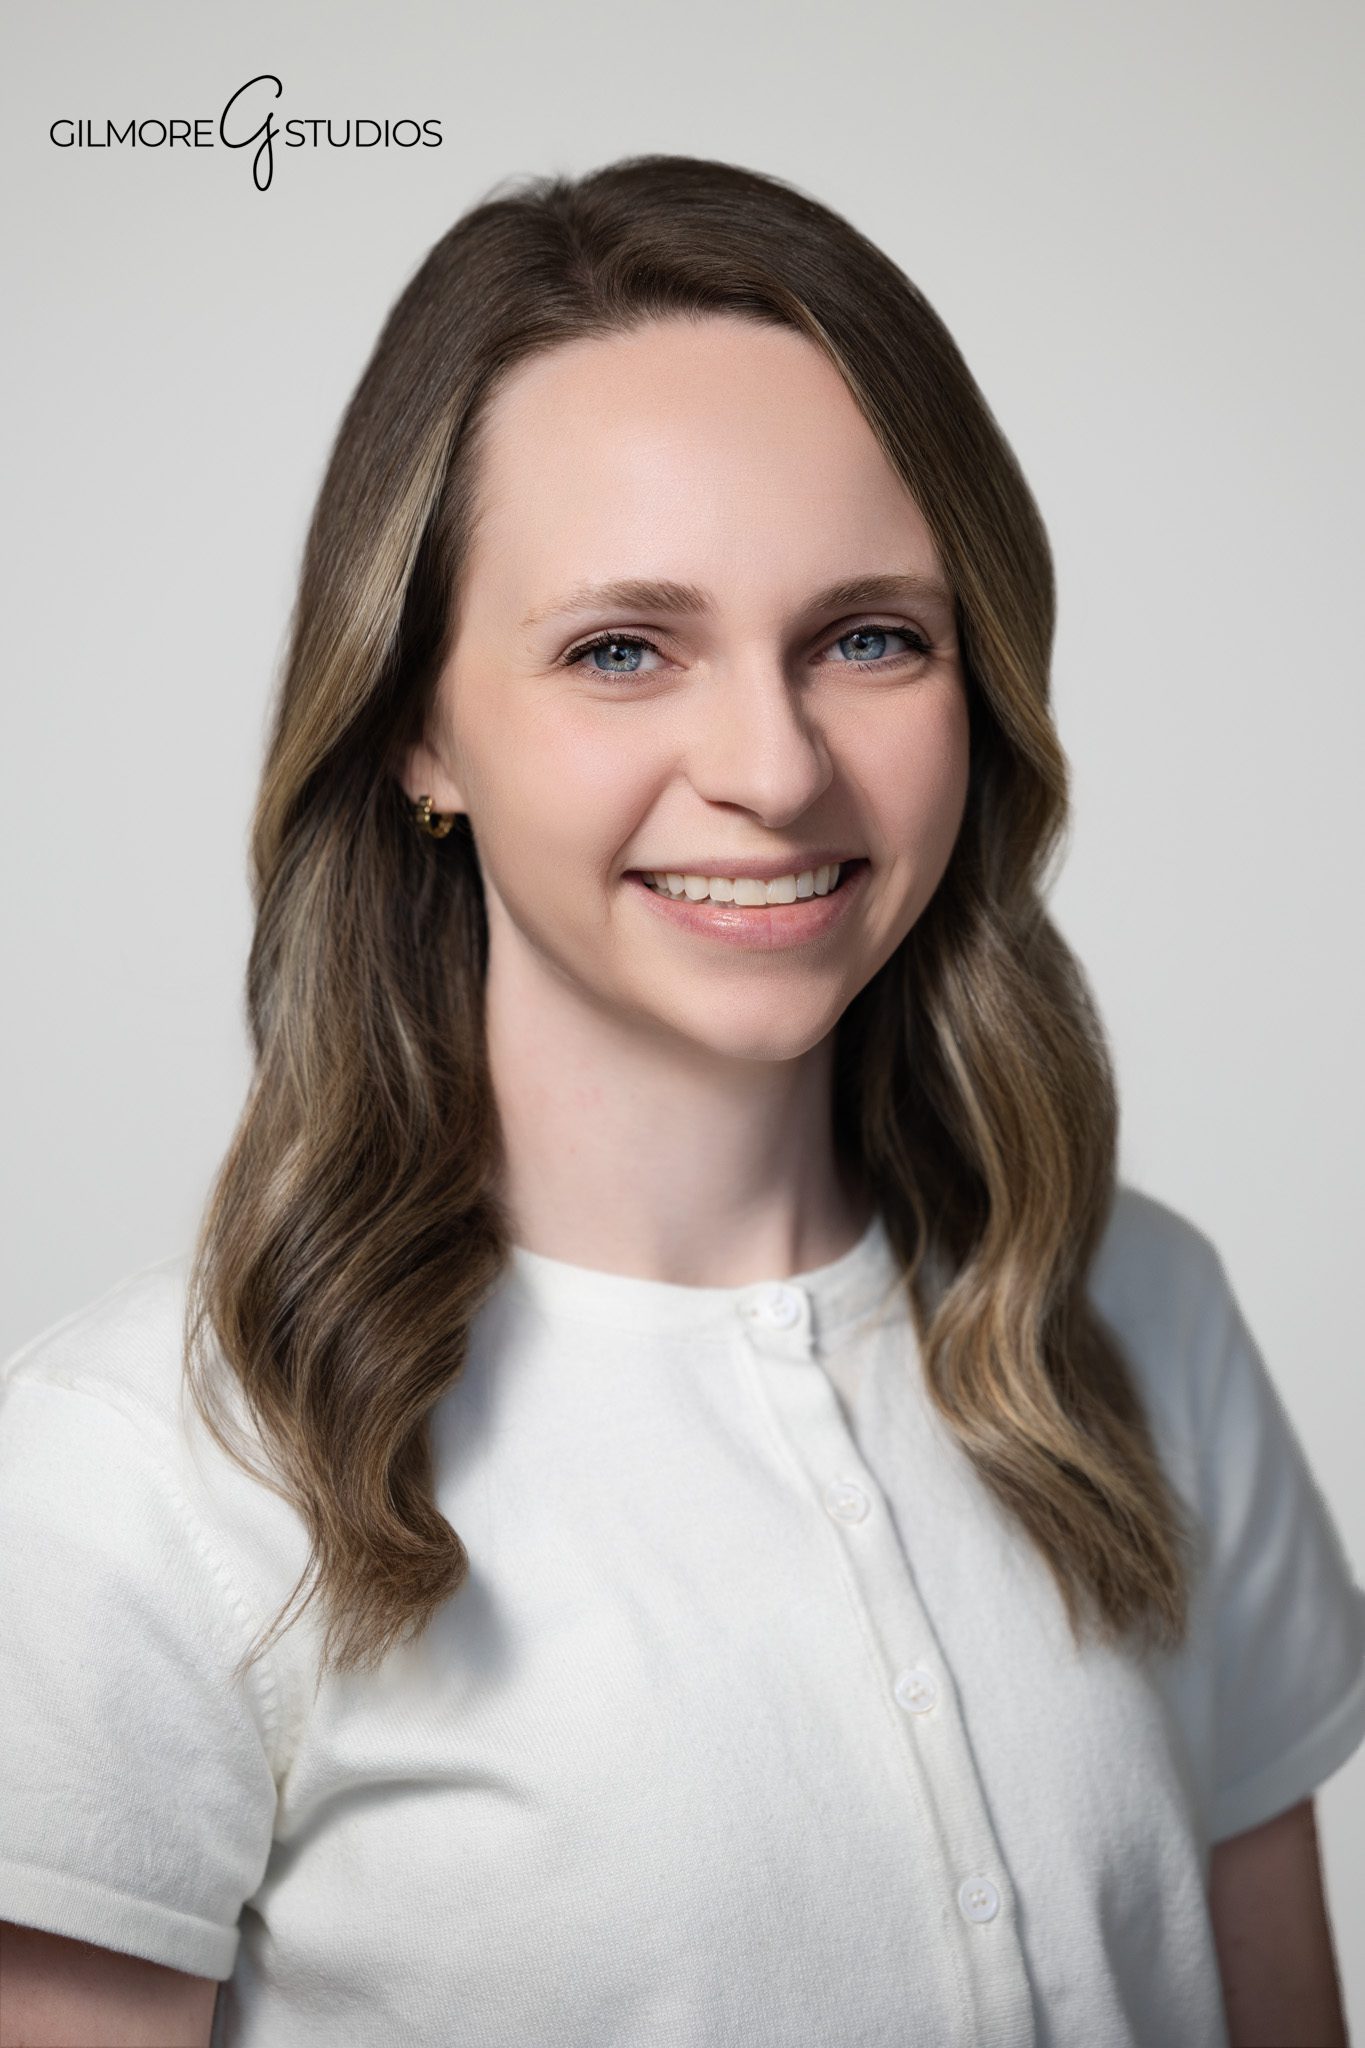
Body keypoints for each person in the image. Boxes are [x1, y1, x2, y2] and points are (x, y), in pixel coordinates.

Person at [1, 153, 1361, 2048]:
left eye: (869, 635)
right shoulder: (133, 1484)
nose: (772, 767)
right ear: (415, 725)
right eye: (620, 649)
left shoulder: (1143, 1320)